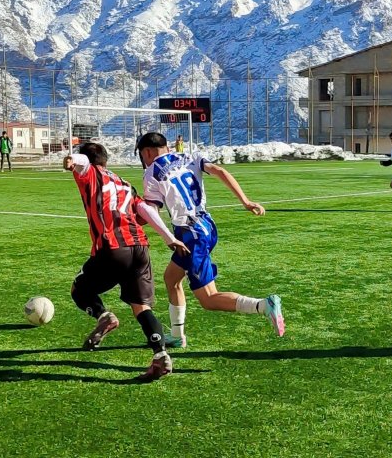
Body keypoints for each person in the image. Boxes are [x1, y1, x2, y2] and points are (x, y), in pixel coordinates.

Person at [135, 131, 284, 349]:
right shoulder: (190, 157)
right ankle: (177, 335)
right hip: (207, 225)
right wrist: (245, 201)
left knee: (208, 299)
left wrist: (130, 214)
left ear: (146, 152)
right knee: (171, 278)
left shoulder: (151, 173)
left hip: (190, 235)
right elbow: (220, 171)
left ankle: (263, 305)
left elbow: (152, 211)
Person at [64, 142, 188, 381]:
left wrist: (73, 160)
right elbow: (146, 210)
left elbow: (84, 164)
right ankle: (160, 354)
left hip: (112, 249)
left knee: (78, 288)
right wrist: (169, 238)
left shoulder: (91, 173)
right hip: (140, 248)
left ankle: (103, 315)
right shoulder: (125, 184)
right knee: (141, 307)